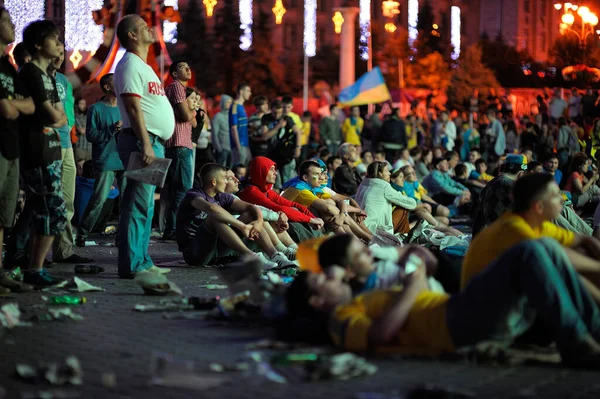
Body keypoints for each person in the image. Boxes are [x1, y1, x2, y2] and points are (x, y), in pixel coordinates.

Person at [286, 234, 600, 367]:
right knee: (529, 251)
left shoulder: (360, 298)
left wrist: (416, 279)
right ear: (316, 301)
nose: (332, 275)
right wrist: (413, 285)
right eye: (323, 278)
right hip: (455, 323)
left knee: (543, 246)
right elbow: (380, 335)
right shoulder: (341, 320)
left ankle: (592, 331)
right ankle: (576, 341)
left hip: (457, 310)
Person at [464, 173, 600, 302]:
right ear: (539, 206)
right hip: (490, 307)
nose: (561, 198)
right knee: (573, 277)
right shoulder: (517, 231)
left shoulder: (535, 223)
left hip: (511, 296)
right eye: (555, 195)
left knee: (579, 259)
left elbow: (583, 240)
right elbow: (560, 257)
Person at [113, 14, 174, 278]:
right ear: (132, 36)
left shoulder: (143, 66)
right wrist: (147, 144)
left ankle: (142, 260)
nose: (149, 29)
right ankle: (132, 265)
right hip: (142, 141)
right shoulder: (128, 64)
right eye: (142, 27)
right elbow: (133, 106)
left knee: (146, 204)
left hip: (150, 142)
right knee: (137, 203)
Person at [13, 20, 67, 286]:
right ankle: (34, 269)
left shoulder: (49, 76)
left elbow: (62, 118)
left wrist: (54, 117)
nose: (59, 44)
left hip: (52, 149)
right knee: (51, 209)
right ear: (37, 45)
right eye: (53, 39)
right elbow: (49, 114)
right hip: (37, 151)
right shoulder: (31, 73)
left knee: (41, 208)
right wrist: (53, 116)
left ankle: (21, 260)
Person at [175, 163, 295, 268]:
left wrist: (258, 221)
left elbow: (251, 207)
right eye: (225, 179)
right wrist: (242, 226)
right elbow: (212, 208)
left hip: (217, 249)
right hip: (194, 253)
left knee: (250, 215)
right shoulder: (193, 195)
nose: (227, 182)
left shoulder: (222, 196)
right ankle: (251, 257)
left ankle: (275, 256)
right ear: (214, 182)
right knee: (214, 218)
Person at [47, 43, 92, 264]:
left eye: (60, 50)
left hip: (66, 144)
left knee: (67, 199)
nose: (59, 54)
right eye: (54, 47)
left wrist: (69, 129)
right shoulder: (35, 77)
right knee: (44, 200)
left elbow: (69, 111)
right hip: (46, 143)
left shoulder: (64, 81)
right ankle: (24, 251)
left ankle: (63, 250)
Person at [0, 8, 35, 293]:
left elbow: (30, 104)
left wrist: (15, 105)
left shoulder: (8, 67)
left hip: (11, 148)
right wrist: (11, 105)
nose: (13, 25)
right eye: (7, 21)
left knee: (4, 215)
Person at [75, 74, 124, 247]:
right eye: (116, 82)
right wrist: (111, 129)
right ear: (107, 87)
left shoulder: (125, 107)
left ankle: (124, 236)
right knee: (99, 198)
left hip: (125, 159)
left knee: (126, 199)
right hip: (105, 159)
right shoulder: (95, 109)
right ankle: (82, 232)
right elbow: (91, 136)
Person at [237, 156, 324, 242]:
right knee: (289, 217)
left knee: (294, 211)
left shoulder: (266, 191)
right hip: (251, 227)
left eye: (275, 169)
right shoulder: (251, 191)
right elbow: (279, 208)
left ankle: (320, 243)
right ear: (261, 170)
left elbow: (294, 204)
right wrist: (311, 220)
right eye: (271, 169)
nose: (276, 173)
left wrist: (312, 218)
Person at [224, 169, 297, 260]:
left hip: (248, 234)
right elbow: (261, 209)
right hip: (233, 242)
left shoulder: (266, 191)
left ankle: (291, 249)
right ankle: (281, 252)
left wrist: (280, 215)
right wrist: (279, 216)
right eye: (231, 178)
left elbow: (285, 206)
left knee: (263, 217)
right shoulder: (250, 191)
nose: (237, 180)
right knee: (258, 216)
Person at [162, 60, 197, 241]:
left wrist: (191, 112)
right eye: (183, 67)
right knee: (182, 188)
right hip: (178, 144)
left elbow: (193, 123)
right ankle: (173, 228)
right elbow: (186, 116)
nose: (188, 69)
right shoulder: (176, 87)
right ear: (174, 73)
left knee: (179, 188)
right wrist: (193, 110)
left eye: (188, 66)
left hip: (183, 144)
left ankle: (172, 227)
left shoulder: (181, 89)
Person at [355, 161, 416, 235]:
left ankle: (404, 236)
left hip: (359, 226)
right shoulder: (383, 186)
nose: (390, 173)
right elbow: (412, 204)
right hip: (375, 230)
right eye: (387, 171)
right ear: (380, 174)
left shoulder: (363, 184)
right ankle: (405, 237)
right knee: (402, 208)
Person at [260, 99, 301, 185]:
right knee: (274, 183)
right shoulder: (266, 118)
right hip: (272, 155)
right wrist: (278, 126)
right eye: (275, 113)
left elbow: (298, 132)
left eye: (279, 112)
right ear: (271, 109)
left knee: (289, 182)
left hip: (286, 156)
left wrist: (298, 148)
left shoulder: (287, 118)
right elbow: (265, 137)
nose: (277, 115)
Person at [229, 82, 252, 165]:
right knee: (240, 171)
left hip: (245, 144)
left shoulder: (242, 106)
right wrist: (238, 147)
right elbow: (233, 128)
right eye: (248, 91)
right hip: (240, 145)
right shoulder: (235, 106)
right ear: (241, 91)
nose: (250, 93)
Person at [212, 94, 233, 167]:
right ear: (223, 102)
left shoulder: (232, 116)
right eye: (227, 102)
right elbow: (214, 133)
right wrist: (218, 147)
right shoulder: (218, 116)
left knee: (230, 169)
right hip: (222, 148)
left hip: (232, 148)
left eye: (231, 102)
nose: (229, 104)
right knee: (220, 169)